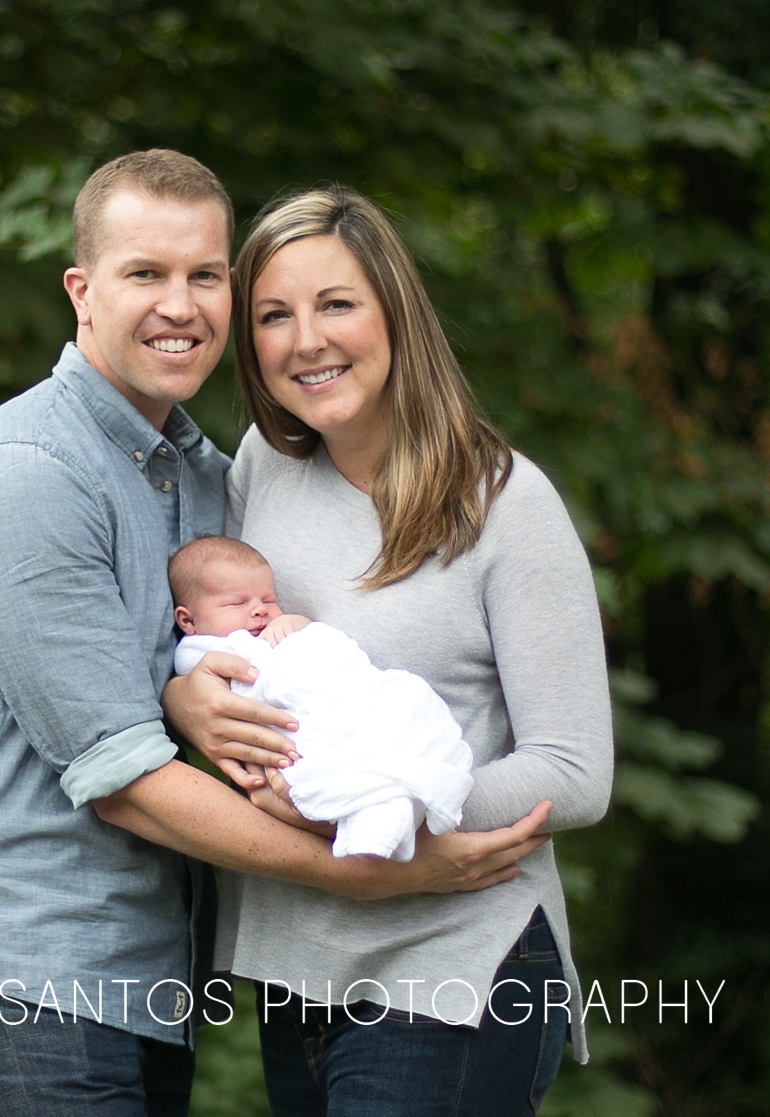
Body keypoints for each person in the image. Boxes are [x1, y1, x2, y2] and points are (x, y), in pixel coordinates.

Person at [0, 152, 554, 1117]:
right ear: (81, 291)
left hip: (154, 973)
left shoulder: (206, 478)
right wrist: (368, 870)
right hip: (28, 972)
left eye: (205, 275)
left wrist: (180, 692)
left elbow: (203, 674)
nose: (181, 304)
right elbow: (123, 781)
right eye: (145, 274)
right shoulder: (26, 472)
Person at [163, 185, 615, 1117]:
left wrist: (387, 808)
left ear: (395, 313)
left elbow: (575, 773)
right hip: (298, 966)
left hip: (454, 957)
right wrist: (186, 703)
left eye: (336, 304)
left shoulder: (506, 505)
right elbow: (217, 648)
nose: (306, 340)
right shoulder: (261, 466)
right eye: (273, 316)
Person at [167, 534, 474, 860]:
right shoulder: (199, 650)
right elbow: (225, 681)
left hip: (344, 696)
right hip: (291, 728)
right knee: (338, 760)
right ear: (188, 620)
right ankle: (377, 822)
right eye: (237, 603)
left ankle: (397, 807)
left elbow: (327, 653)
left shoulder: (277, 628)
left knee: (409, 698)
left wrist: (299, 627)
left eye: (268, 600)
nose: (259, 610)